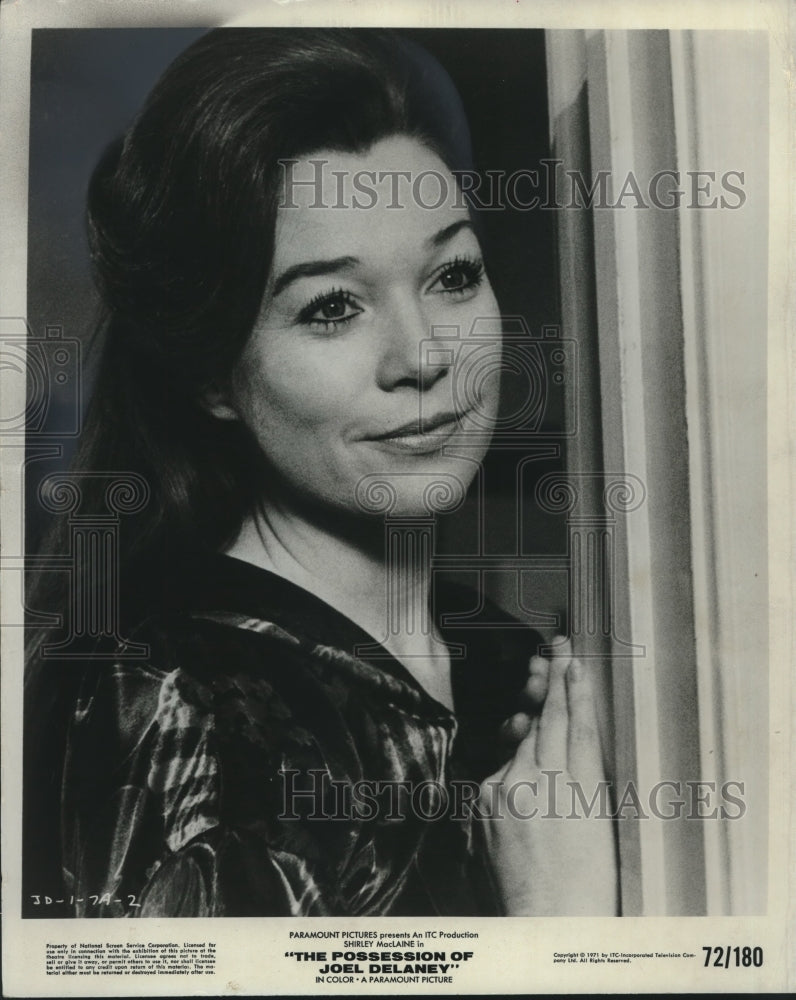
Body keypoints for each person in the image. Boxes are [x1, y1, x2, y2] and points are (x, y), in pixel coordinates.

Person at [23, 27, 617, 918]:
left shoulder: (511, 668)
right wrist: (558, 933)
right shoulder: (156, 698)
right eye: (332, 306)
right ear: (212, 375)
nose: (423, 355)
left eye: (453, 274)